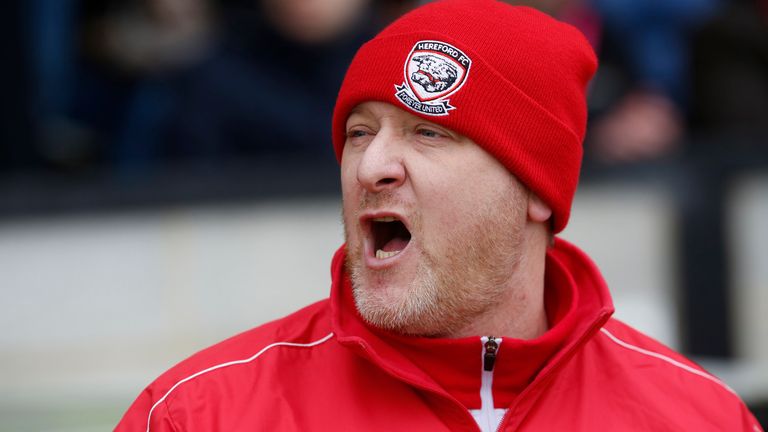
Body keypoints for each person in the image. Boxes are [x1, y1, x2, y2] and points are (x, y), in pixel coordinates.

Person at [115, 1, 763, 430]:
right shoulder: (203, 413)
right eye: (361, 133)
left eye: (429, 134)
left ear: (536, 186)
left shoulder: (696, 416)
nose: (372, 167)